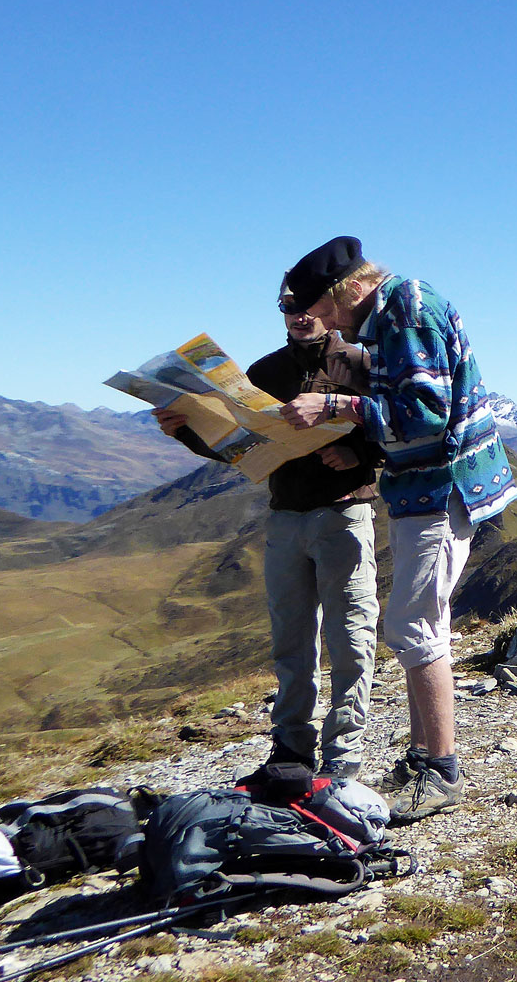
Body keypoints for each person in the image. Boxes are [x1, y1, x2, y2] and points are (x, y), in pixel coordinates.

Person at [278, 236, 517, 824]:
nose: (330, 323)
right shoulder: (392, 313)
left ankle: (441, 771)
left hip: (441, 487)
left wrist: (337, 407)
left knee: (416, 625)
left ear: (352, 289)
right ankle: (420, 758)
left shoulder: (406, 311)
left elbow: (424, 416)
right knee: (415, 622)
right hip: (423, 489)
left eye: (329, 308)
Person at [154, 288, 383, 781]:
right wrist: (185, 431)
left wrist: (361, 459)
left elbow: (405, 426)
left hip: (345, 515)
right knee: (291, 638)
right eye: (287, 306)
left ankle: (344, 756)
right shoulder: (264, 371)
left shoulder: (362, 364)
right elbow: (238, 445)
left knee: (352, 638)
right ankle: (290, 748)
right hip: (285, 516)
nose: (298, 315)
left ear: (329, 308)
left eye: (307, 304)